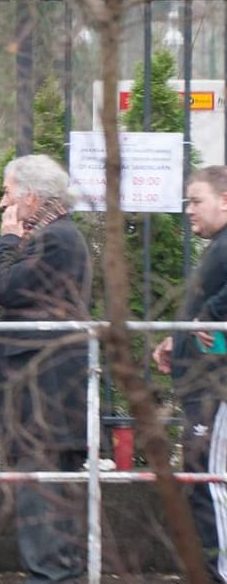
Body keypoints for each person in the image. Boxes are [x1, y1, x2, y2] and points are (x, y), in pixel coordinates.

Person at [0, 154, 92, 584]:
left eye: (8, 193)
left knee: (43, 498)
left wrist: (6, 242)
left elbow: (6, 289)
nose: (1, 204)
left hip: (44, 398)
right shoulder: (58, 236)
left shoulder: (58, 239)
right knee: (47, 496)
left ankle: (51, 575)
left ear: (31, 197)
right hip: (44, 393)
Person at [152, 166, 227, 582]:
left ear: (225, 200)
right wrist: (177, 339)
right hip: (203, 386)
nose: (188, 210)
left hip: (214, 390)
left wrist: (207, 318)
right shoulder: (218, 245)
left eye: (196, 201)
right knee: (203, 483)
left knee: (210, 484)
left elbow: (216, 313)